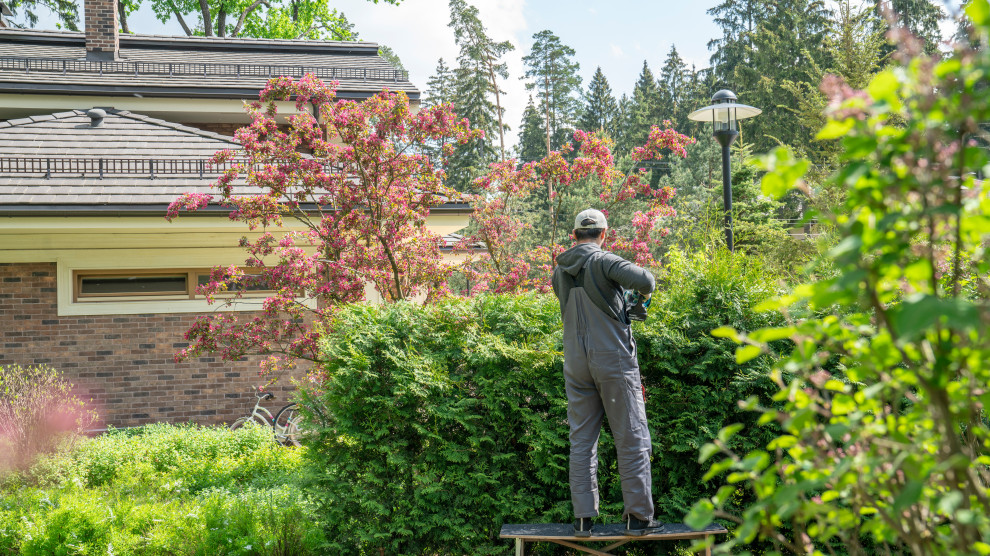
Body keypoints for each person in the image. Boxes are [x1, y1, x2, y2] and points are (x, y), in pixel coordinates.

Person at [551, 208, 659, 537]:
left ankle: (583, 520)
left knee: (582, 441)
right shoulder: (604, 261)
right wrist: (635, 299)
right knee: (631, 436)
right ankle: (638, 518)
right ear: (603, 234)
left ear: (574, 236)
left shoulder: (559, 273)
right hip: (612, 361)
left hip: (576, 363)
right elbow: (646, 281)